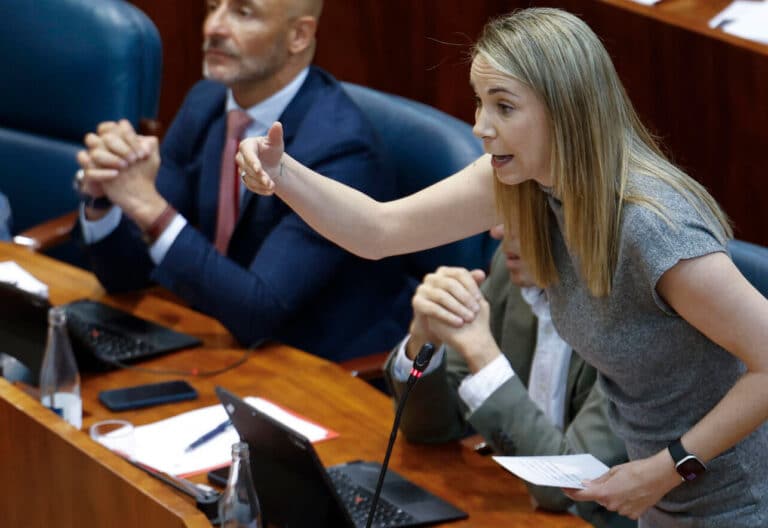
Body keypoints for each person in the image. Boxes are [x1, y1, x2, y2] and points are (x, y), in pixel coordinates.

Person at [237, 7, 768, 526]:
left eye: (504, 107)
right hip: (660, 499)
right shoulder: (524, 183)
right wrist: (281, 173)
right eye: (479, 102)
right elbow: (378, 231)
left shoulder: (651, 226)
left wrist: (667, 469)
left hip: (740, 501)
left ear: (566, 110)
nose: (480, 127)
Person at [73, 0, 415, 361]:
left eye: (243, 12)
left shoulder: (341, 148)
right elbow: (127, 277)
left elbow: (260, 311)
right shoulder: (205, 103)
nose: (213, 27)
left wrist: (148, 207)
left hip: (316, 365)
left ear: (298, 36)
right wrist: (105, 198)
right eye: (212, 7)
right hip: (223, 340)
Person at [385, 224, 634, 528]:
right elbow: (430, 430)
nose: (497, 230)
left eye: (521, 212)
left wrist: (482, 355)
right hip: (519, 506)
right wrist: (424, 341)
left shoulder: (635, 314)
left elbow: (567, 486)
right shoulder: (512, 269)